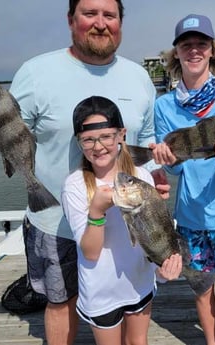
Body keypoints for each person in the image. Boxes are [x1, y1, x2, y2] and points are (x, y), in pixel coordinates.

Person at [0, 1, 167, 344]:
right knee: (59, 303)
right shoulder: (36, 72)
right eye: (89, 14)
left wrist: (155, 176)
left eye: (109, 15)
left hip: (122, 222)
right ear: (71, 20)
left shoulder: (139, 77)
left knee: (133, 302)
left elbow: (145, 141)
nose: (100, 23)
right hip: (52, 221)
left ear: (120, 22)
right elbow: (4, 134)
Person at [151, 14, 215, 345]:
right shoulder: (164, 105)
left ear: (212, 51)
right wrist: (169, 163)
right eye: (186, 44)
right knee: (203, 292)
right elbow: (177, 168)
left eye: (201, 44)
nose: (194, 50)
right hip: (191, 216)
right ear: (176, 53)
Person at [61, 96, 181, 345]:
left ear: (121, 135)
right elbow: (91, 253)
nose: (98, 146)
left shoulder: (141, 176)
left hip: (139, 282)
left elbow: (156, 231)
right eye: (88, 140)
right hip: (101, 291)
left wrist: (163, 267)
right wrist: (96, 212)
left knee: (139, 341)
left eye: (106, 136)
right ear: (79, 143)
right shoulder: (75, 186)